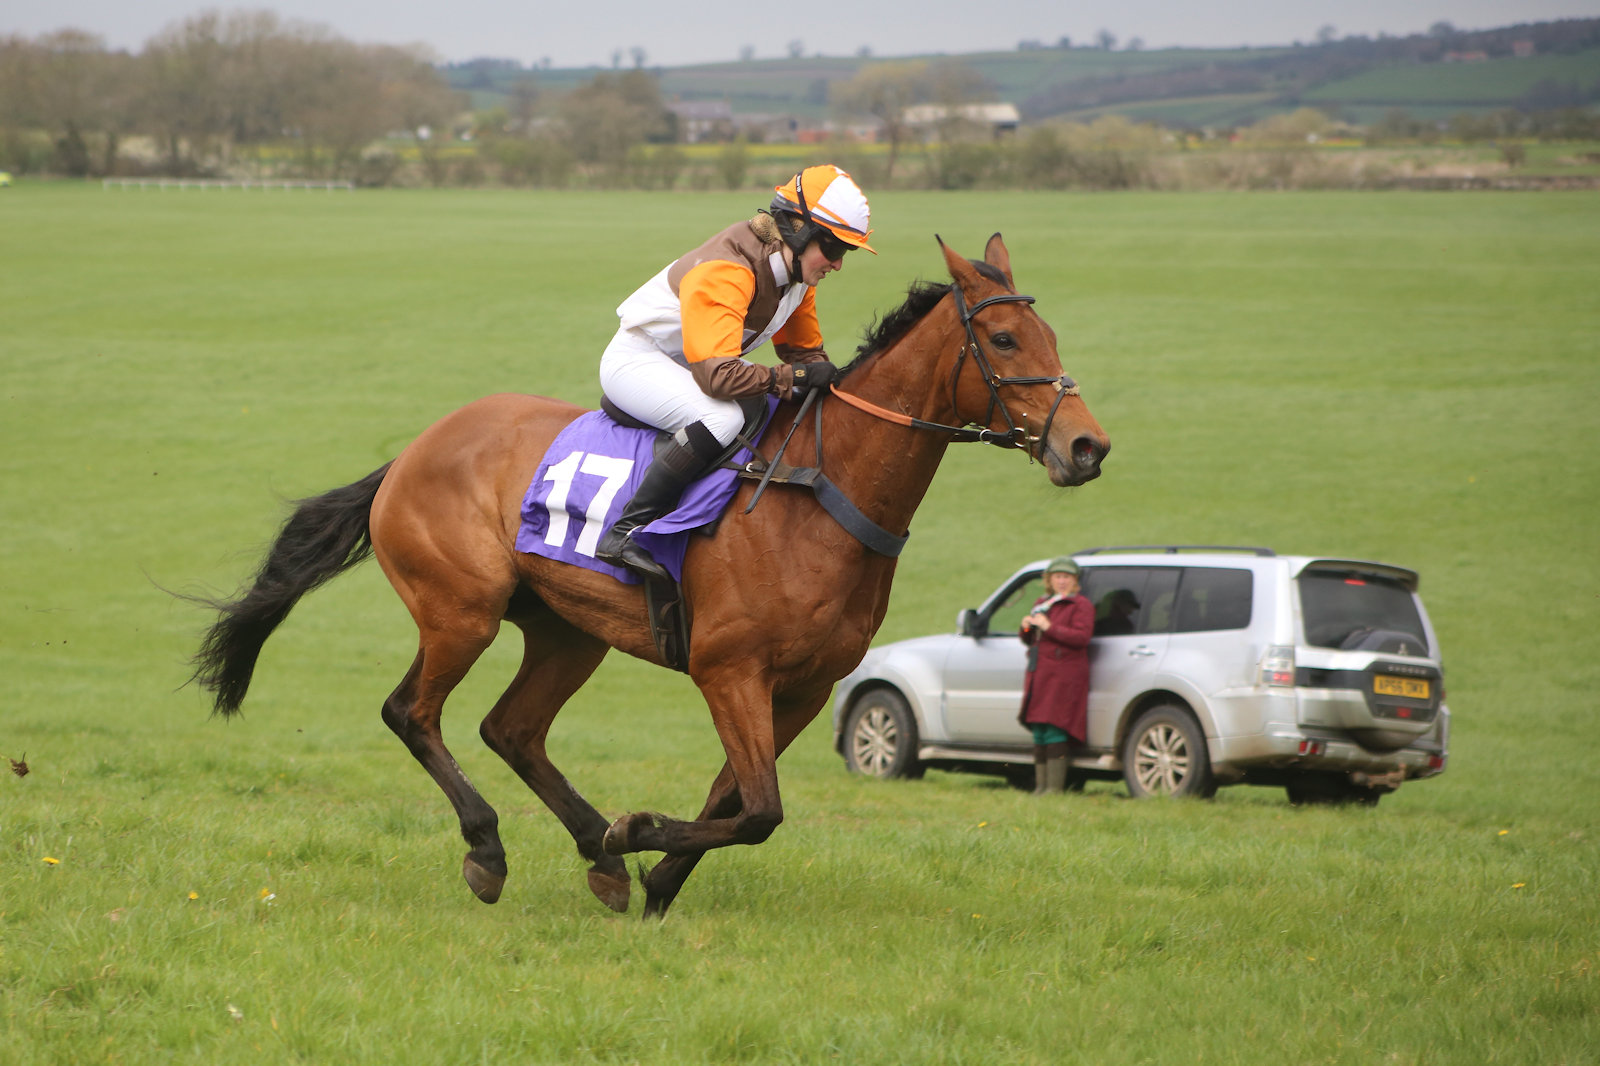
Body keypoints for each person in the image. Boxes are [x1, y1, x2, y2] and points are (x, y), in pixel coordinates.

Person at [593, 164, 876, 580]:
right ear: (798, 231)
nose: (837, 264)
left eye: (844, 253)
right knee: (723, 418)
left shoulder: (798, 277)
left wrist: (832, 385)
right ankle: (626, 531)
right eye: (833, 249)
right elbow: (719, 378)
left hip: (692, 366)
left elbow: (804, 354)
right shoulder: (729, 269)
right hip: (638, 362)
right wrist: (791, 379)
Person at [1018, 557, 1095, 794]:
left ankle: (1053, 789)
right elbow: (1031, 639)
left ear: (1075, 581)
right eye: (1058, 577)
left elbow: (1081, 637)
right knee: (1039, 729)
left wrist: (1049, 627)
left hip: (1064, 677)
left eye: (1067, 577)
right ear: (1049, 580)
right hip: (1040, 675)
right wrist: (1026, 627)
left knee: (1055, 728)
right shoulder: (1043, 603)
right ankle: (1040, 787)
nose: (1062, 581)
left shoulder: (1081, 605)